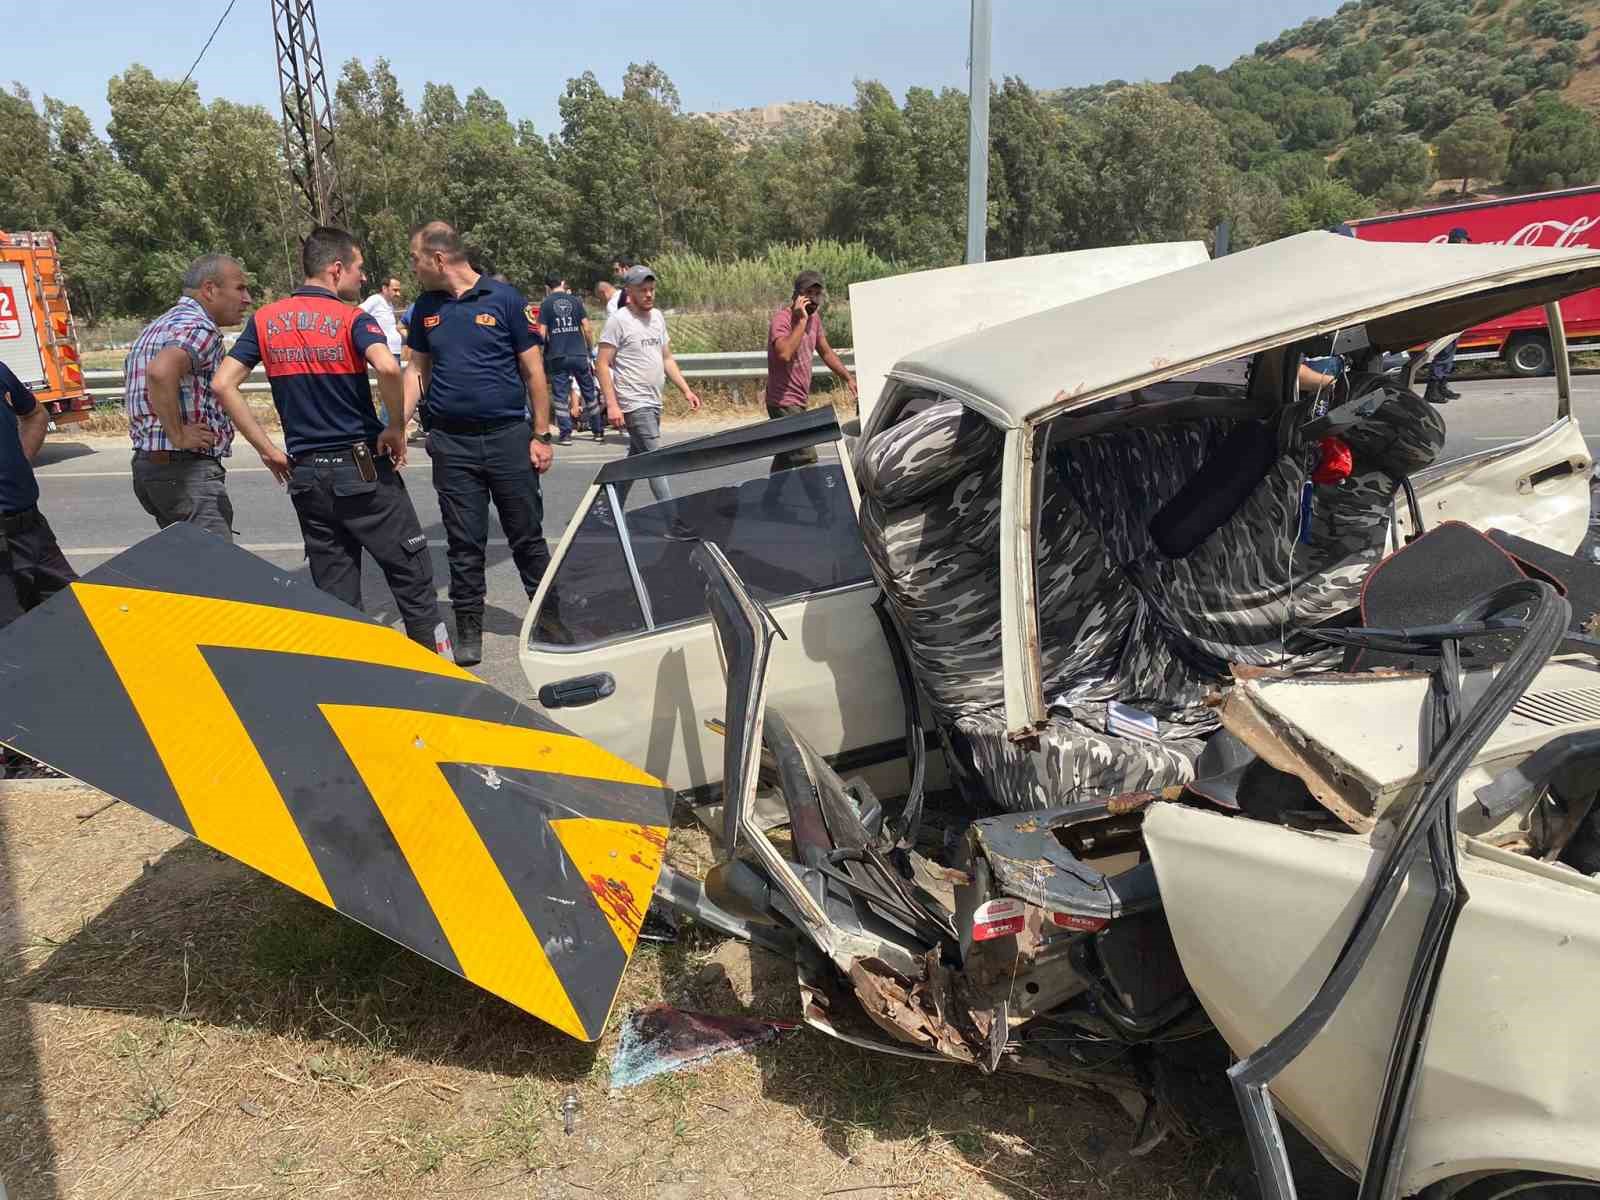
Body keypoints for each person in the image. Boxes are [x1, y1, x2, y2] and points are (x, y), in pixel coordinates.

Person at [212, 226, 450, 657]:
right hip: (362, 471)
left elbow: (223, 383)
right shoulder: (352, 318)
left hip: (306, 476)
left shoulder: (264, 320)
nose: (362, 278)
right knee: (412, 578)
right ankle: (440, 677)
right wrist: (395, 426)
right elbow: (390, 368)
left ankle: (355, 685)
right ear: (336, 269)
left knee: (336, 597)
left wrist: (268, 451)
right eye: (358, 269)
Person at [404, 220, 555, 667]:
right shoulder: (425, 308)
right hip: (452, 444)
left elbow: (534, 373)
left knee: (526, 536)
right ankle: (469, 628)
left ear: (438, 258)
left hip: (509, 437)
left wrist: (542, 435)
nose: (412, 268)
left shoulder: (504, 299)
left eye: (414, 259)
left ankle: (550, 619)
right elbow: (416, 372)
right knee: (463, 541)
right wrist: (395, 422)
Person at [124, 253, 253, 540]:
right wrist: (178, 435)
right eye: (240, 288)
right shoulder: (200, 327)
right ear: (210, 289)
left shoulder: (160, 325)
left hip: (151, 467)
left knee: (190, 567)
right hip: (184, 469)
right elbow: (160, 371)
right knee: (217, 572)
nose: (247, 299)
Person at [597, 264, 701, 537]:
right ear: (629, 291)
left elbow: (666, 358)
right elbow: (602, 363)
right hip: (633, 402)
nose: (649, 294)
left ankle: (607, 509)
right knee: (656, 460)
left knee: (637, 458)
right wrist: (613, 404)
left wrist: (686, 389)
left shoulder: (657, 318)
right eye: (643, 290)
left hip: (654, 401)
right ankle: (674, 522)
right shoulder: (618, 320)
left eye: (652, 289)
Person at [763, 270, 858, 519]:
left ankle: (769, 503)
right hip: (783, 401)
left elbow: (826, 352)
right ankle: (825, 513)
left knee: (786, 454)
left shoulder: (815, 321)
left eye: (817, 294)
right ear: (797, 296)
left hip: (799, 399)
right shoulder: (782, 321)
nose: (814, 299)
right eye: (809, 294)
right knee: (806, 456)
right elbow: (784, 354)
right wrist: (801, 321)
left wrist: (848, 378)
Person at [0, 360, 75, 629]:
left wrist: (20, 462)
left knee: (76, 615)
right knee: (12, 642)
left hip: (33, 529)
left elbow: (35, 415)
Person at [540, 274, 601, 444]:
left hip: (557, 355)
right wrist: (589, 348)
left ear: (547, 287)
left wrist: (543, 352)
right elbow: (587, 328)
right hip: (579, 353)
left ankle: (566, 434)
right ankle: (598, 431)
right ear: (563, 283)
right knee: (589, 391)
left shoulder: (546, 304)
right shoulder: (575, 301)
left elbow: (541, 333)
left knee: (560, 396)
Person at [1425, 227, 1473, 406]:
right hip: (1447, 312)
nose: (1466, 244)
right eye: (1465, 240)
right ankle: (1432, 390)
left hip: (1454, 311)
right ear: (1459, 240)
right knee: (1444, 351)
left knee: (1450, 350)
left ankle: (1442, 385)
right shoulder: (1450, 257)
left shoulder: (1452, 257)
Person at [360, 275, 405, 358]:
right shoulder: (375, 300)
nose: (398, 294)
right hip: (384, 353)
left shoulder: (390, 304)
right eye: (395, 290)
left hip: (394, 351)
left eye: (399, 290)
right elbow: (357, 313)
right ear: (384, 288)